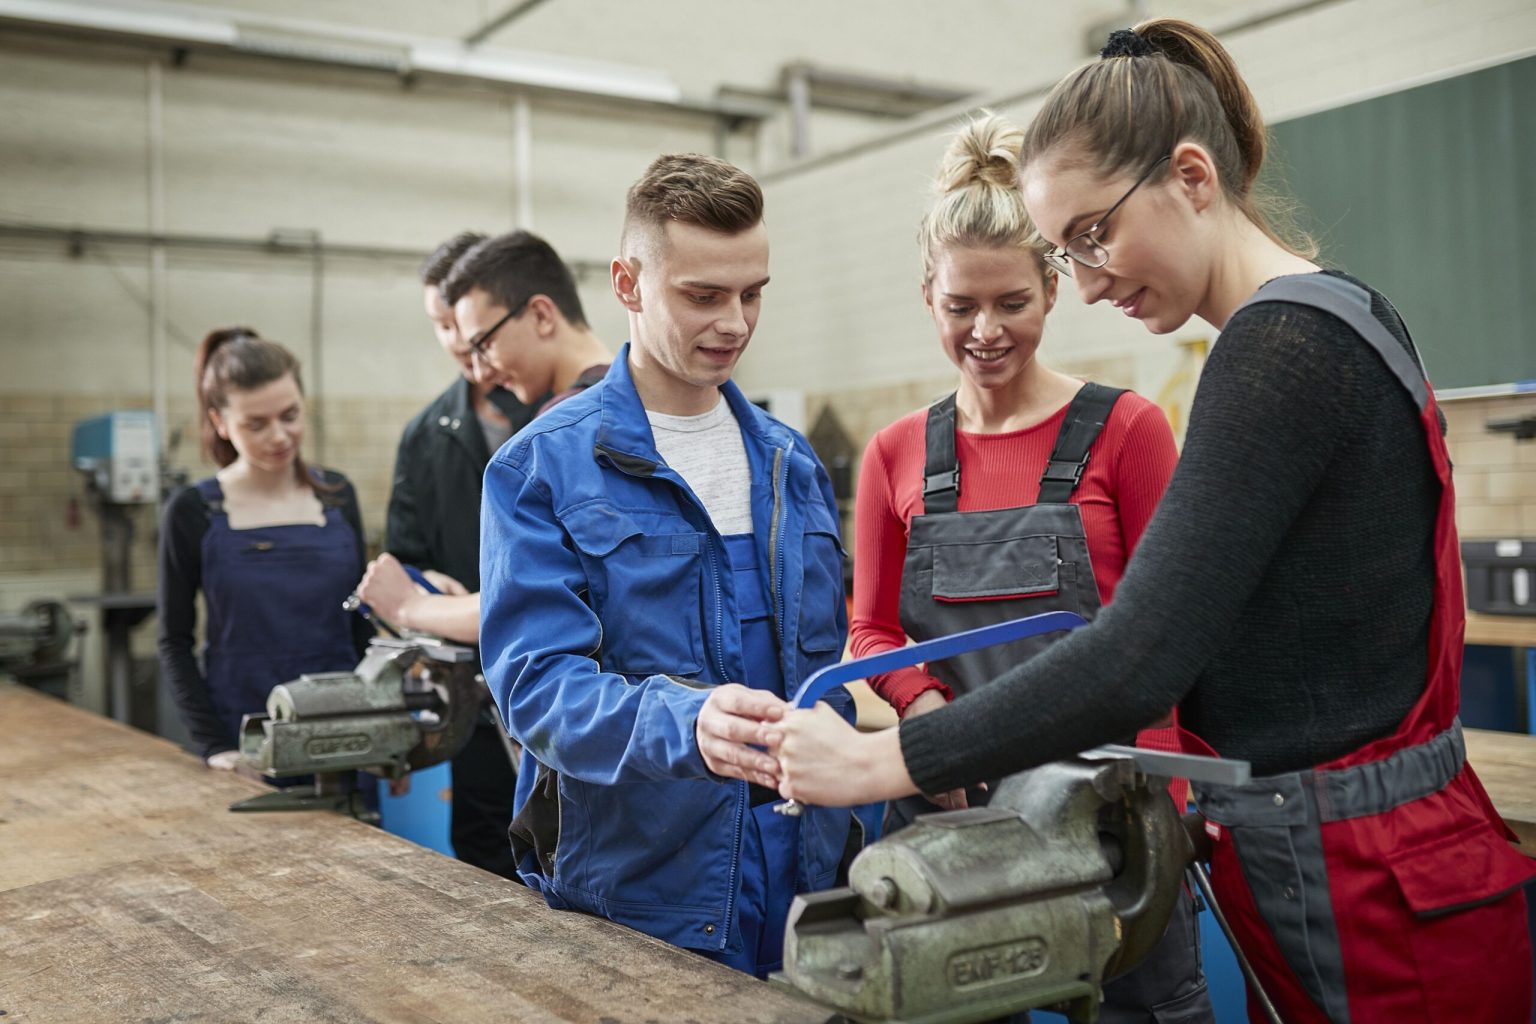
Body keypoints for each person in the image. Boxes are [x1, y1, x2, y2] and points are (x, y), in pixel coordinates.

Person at [767, 19, 1536, 1024]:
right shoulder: (1335, 316)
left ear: (1191, 177)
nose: (1084, 282)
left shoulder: (1277, 355)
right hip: (1360, 867)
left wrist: (880, 758)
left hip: (1371, 897)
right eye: (1066, 250)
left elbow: (1138, 654)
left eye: (1092, 236)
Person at [850, 112, 1211, 1021]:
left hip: (1115, 822)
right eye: (960, 305)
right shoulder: (893, 455)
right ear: (926, 295)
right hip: (954, 823)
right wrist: (925, 722)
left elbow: (1172, 630)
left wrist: (1166, 806)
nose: (986, 330)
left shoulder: (1128, 431)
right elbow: (872, 628)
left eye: (1011, 302)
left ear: (1052, 291)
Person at [478, 154, 856, 978]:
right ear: (627, 282)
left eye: (752, 292)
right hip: (645, 892)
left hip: (810, 882)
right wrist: (687, 724)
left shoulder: (793, 466)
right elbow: (536, 689)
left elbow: (832, 667)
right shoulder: (538, 468)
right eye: (703, 295)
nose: (734, 322)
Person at [382, 230, 541, 879]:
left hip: (559, 687)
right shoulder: (424, 438)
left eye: (461, 322)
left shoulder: (555, 414)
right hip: (472, 701)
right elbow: (404, 566)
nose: (455, 340)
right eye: (440, 325)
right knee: (484, 858)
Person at [366, 230, 614, 644]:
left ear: (541, 315)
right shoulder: (630, 397)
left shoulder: (563, 427)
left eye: (483, 343)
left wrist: (412, 606)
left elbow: (529, 602)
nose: (478, 370)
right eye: (444, 327)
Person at [158, 328, 372, 769]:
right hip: (245, 742)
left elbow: (361, 627)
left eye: (290, 415)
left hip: (343, 734)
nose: (278, 436)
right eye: (255, 424)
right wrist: (215, 746)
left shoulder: (336, 495)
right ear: (219, 422)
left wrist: (384, 732)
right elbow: (173, 641)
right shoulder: (194, 511)